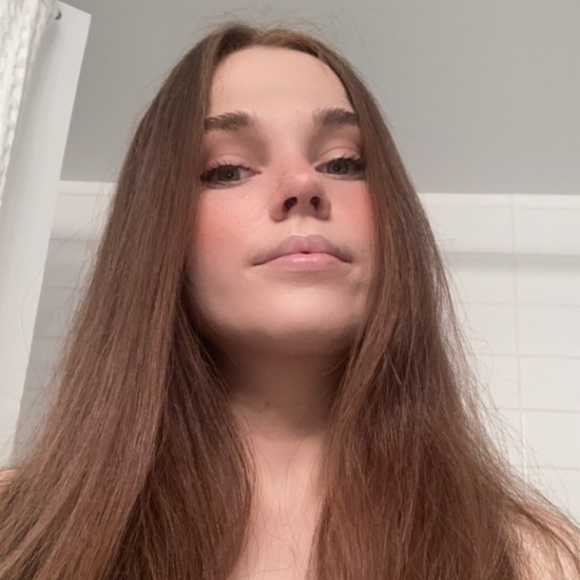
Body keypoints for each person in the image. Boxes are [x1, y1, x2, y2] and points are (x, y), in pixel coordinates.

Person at [0, 20, 579, 580]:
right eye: (227, 170)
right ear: (155, 233)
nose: (304, 184)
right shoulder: (13, 530)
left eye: (343, 163)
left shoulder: (539, 560)